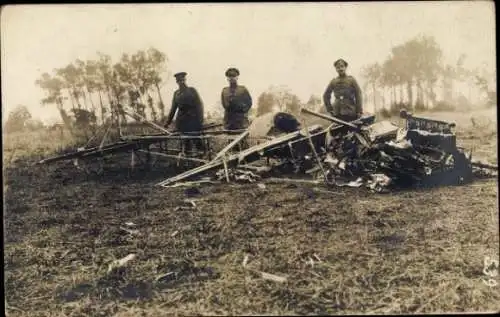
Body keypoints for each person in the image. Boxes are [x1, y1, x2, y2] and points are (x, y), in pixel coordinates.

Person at [164, 72, 205, 154]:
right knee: (185, 143)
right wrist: (167, 122)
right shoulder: (176, 94)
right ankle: (187, 160)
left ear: (185, 80)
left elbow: (200, 105)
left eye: (182, 80)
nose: (181, 82)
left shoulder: (192, 90)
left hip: (193, 121)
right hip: (182, 123)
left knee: (197, 141)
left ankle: (202, 157)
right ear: (177, 82)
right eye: (179, 81)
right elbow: (173, 109)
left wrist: (200, 120)